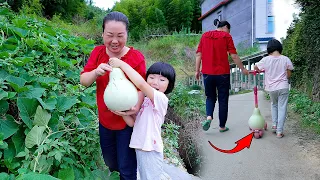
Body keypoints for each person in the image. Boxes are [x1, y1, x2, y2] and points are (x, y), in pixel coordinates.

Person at [80, 11, 146, 179]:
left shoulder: (136, 58)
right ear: (102, 34)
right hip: (105, 122)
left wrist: (135, 108)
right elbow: (84, 80)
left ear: (127, 35)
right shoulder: (98, 53)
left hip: (127, 123)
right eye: (110, 35)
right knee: (111, 164)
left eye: (120, 36)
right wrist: (96, 72)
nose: (114, 41)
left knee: (127, 167)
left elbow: (141, 87)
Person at [109, 59, 176, 180]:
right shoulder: (145, 101)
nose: (155, 82)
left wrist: (122, 65)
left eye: (162, 80)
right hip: (141, 147)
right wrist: (121, 112)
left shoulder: (161, 99)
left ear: (169, 85)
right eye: (152, 77)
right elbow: (133, 123)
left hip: (150, 149)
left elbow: (141, 85)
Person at [195, 19, 249, 132]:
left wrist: (197, 70)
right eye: (228, 31)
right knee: (223, 99)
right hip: (222, 74)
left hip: (207, 73)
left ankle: (209, 117)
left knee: (210, 97)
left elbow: (199, 54)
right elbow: (234, 56)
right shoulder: (226, 36)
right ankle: (222, 126)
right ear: (225, 27)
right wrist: (243, 68)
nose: (228, 33)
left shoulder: (204, 36)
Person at [254, 39, 294, 138]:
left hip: (272, 88)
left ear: (269, 49)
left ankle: (274, 125)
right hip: (283, 86)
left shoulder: (266, 59)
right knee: (282, 108)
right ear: (280, 48)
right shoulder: (285, 59)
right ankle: (279, 131)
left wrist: (260, 70)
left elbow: (255, 67)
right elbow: (289, 74)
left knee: (274, 105)